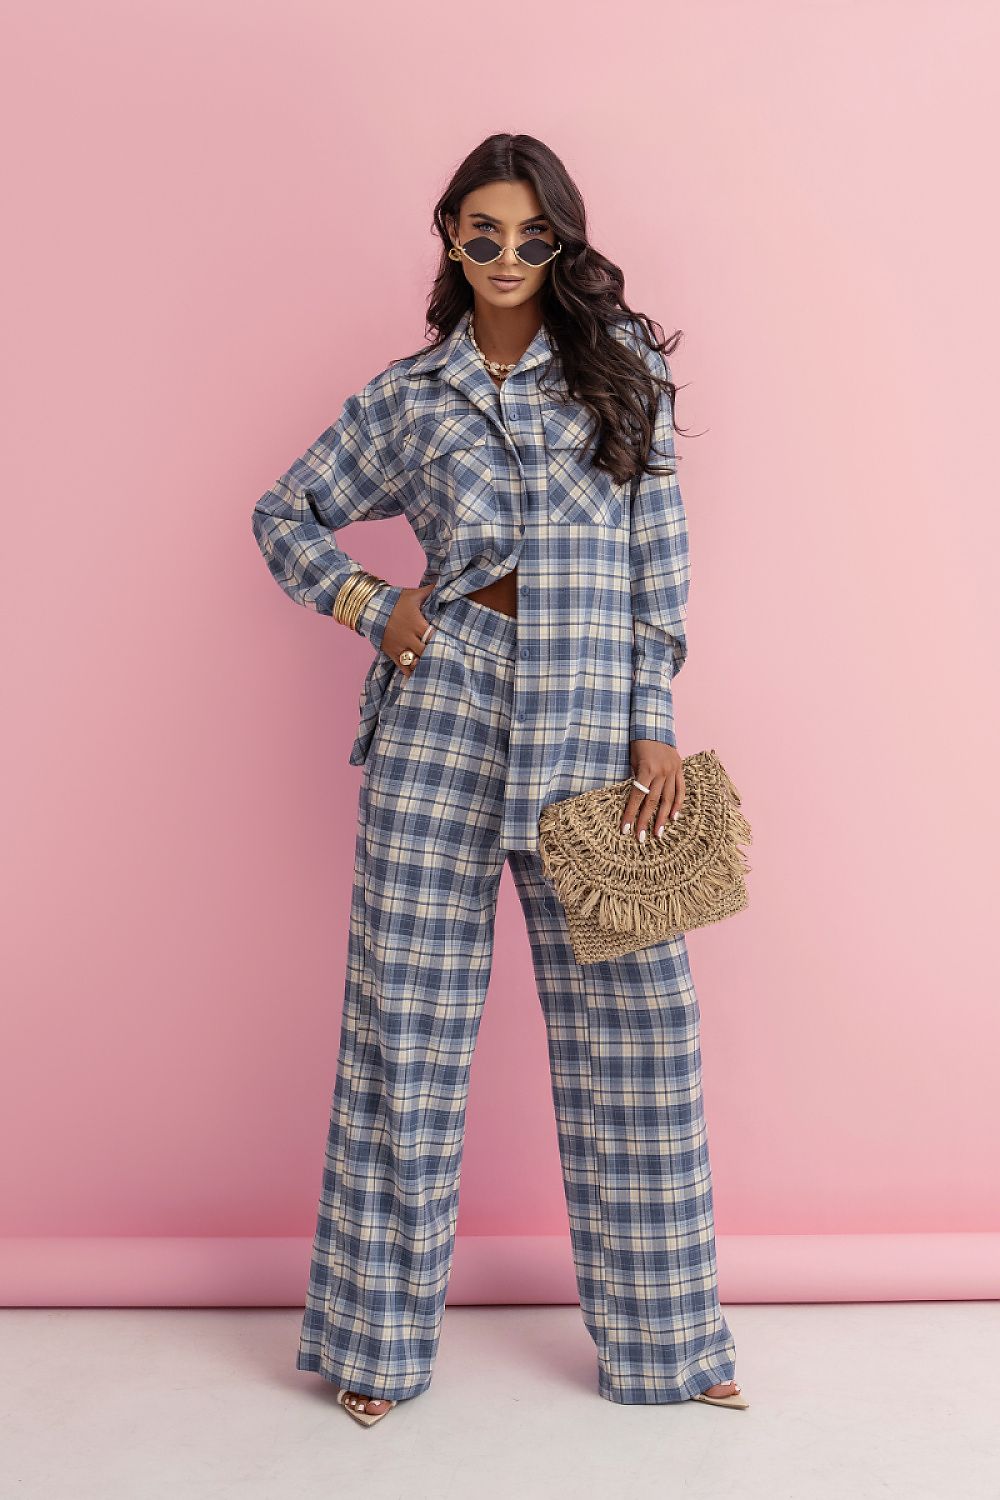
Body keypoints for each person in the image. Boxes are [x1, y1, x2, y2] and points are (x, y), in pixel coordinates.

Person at [251, 132, 746, 1425]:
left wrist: (655, 720)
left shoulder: (622, 374)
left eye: (535, 235)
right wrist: (371, 602)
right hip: (444, 717)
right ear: (450, 238)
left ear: (564, 241)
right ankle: (373, 1348)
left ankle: (670, 1347)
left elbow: (658, 563)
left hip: (595, 729)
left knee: (642, 1038)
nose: (511, 256)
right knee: (403, 1036)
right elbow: (283, 512)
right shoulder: (410, 396)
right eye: (485, 233)